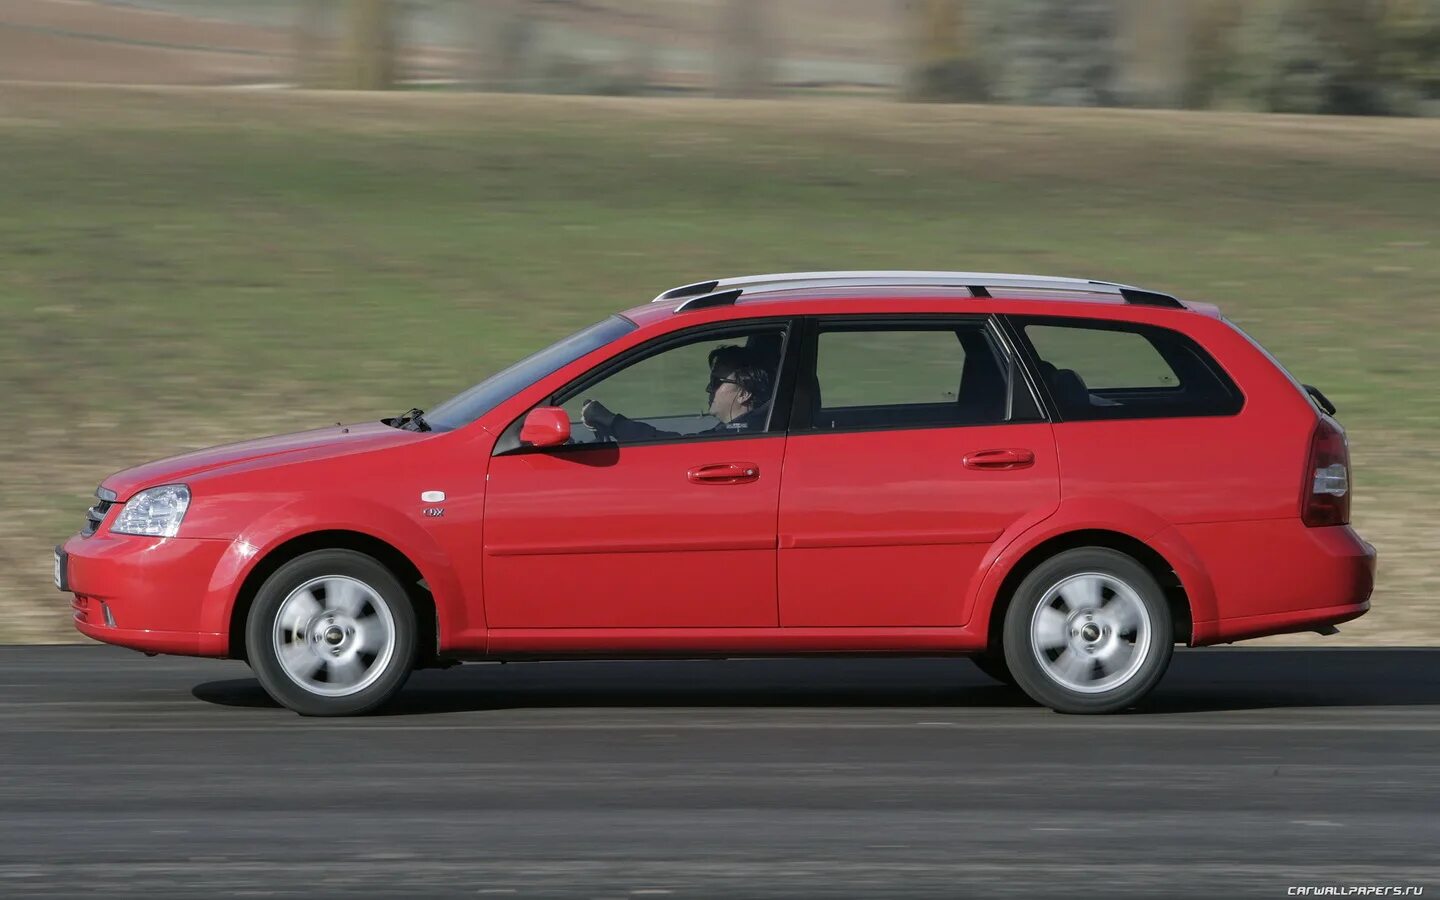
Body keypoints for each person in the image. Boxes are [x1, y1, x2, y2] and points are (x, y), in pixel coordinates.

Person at [581, 344, 774, 443]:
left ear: (744, 393)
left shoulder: (742, 437)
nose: (709, 389)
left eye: (717, 382)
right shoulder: (753, 427)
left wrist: (612, 421)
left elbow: (664, 445)